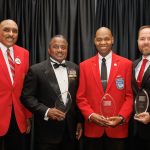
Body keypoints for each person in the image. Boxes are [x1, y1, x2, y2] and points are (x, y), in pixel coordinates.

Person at [21, 35, 83, 150]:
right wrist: (47, 111)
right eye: (56, 47)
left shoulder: (75, 68)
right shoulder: (36, 70)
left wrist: (79, 121)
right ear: (49, 50)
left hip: (70, 130)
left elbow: (77, 97)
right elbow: (26, 97)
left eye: (63, 47)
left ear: (67, 50)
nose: (60, 50)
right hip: (47, 132)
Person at [76, 27, 133, 150]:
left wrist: (121, 117)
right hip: (93, 130)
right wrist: (91, 115)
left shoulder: (126, 64)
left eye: (107, 39)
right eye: (99, 39)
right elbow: (81, 97)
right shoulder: (84, 66)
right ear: (94, 41)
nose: (103, 42)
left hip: (117, 129)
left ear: (112, 40)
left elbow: (129, 96)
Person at [0, 19, 32, 150]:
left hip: (17, 116)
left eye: (15, 31)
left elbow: (26, 89)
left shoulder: (24, 54)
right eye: (6, 30)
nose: (11, 34)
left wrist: (27, 115)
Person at [129, 25, 150, 150]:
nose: (146, 42)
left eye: (149, 38)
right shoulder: (132, 65)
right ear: (137, 42)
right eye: (142, 38)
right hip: (133, 129)